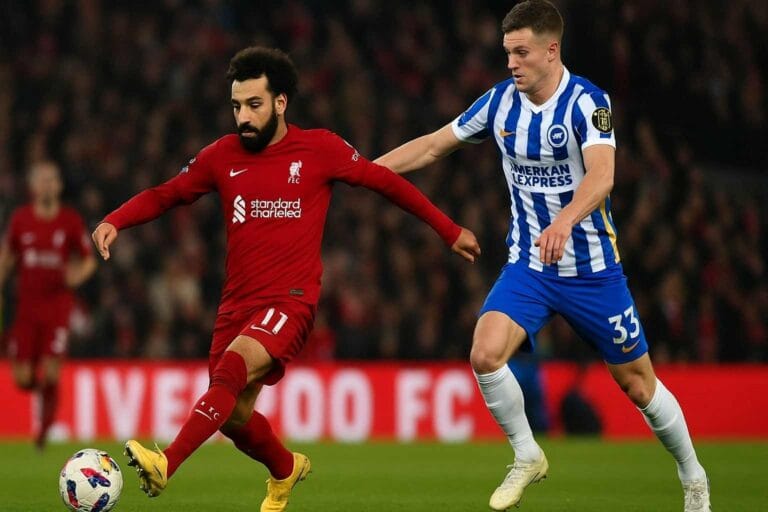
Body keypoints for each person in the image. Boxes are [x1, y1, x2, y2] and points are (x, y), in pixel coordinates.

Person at [91, 46, 480, 511]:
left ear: (280, 103)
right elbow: (167, 194)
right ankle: (284, 468)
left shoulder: (320, 149)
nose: (243, 117)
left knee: (232, 371)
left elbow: (386, 182)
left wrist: (448, 229)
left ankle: (166, 463)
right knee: (233, 416)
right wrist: (116, 219)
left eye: (253, 104)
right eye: (236, 106)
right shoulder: (222, 156)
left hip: (290, 301)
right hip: (235, 305)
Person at [374, 2, 710, 511]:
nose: (511, 63)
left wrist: (564, 219)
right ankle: (527, 454)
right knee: (484, 354)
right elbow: (432, 145)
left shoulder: (588, 103)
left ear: (551, 51)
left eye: (521, 52)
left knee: (639, 386)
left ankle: (693, 477)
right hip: (530, 266)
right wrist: (366, 172)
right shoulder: (499, 103)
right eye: (507, 52)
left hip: (593, 271)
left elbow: (603, 176)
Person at [0, 160, 97, 450]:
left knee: (52, 371)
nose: (47, 184)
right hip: (26, 309)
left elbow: (88, 259)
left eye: (52, 179)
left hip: (56, 307)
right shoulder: (21, 219)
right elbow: (8, 255)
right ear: (32, 186)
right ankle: (43, 397)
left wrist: (75, 277)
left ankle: (44, 429)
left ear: (59, 185)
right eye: (41, 179)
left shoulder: (69, 221)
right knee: (23, 379)